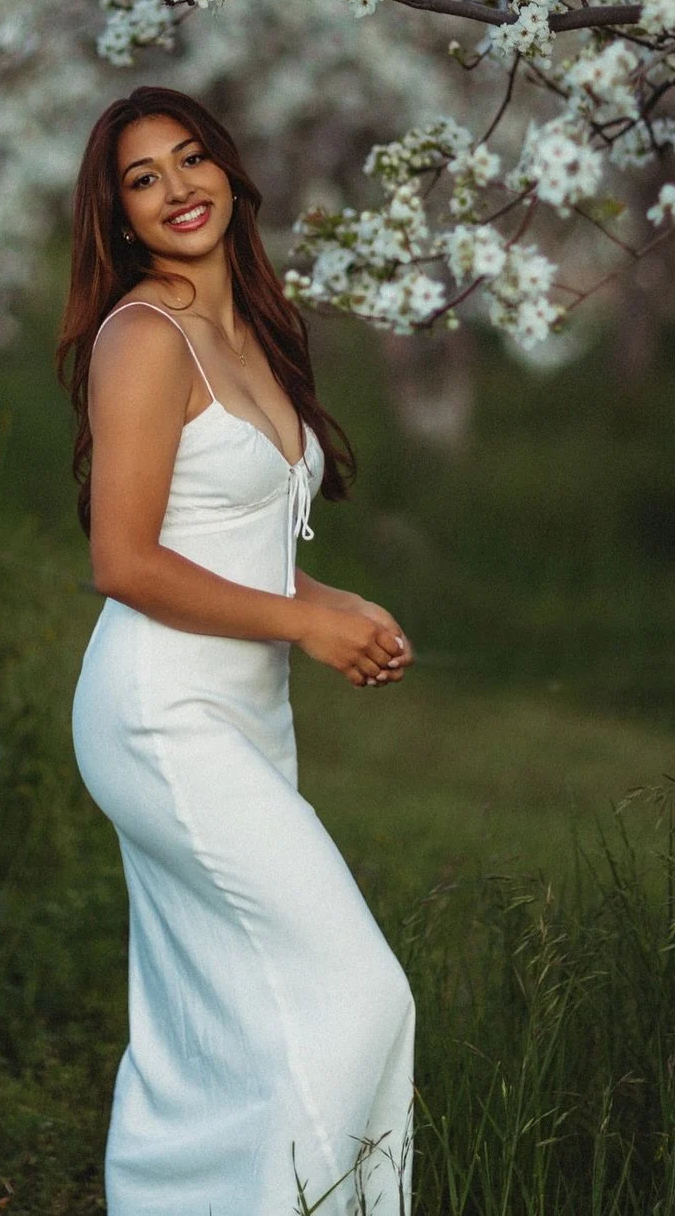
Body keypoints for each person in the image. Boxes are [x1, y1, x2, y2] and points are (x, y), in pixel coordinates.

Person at [57, 85, 416, 1216]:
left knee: (216, 1013)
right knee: (361, 991)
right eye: (143, 177)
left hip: (245, 705)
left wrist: (321, 596)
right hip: (162, 709)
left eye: (191, 157)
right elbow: (123, 558)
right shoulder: (143, 336)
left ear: (230, 169)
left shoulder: (256, 325)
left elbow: (228, 544)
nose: (177, 189)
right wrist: (307, 622)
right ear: (117, 216)